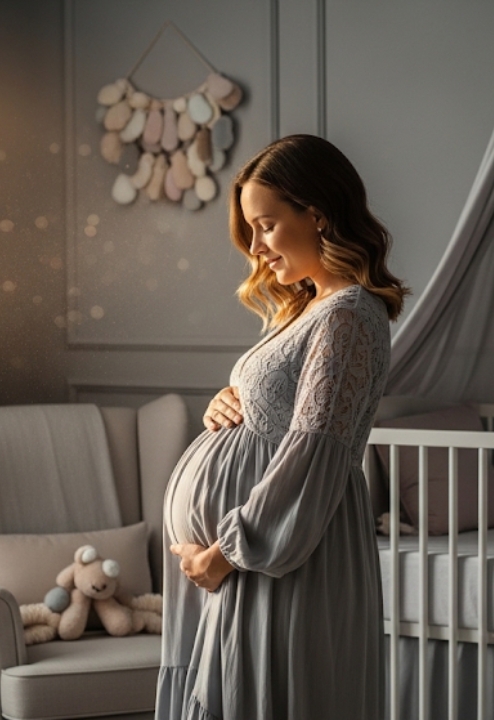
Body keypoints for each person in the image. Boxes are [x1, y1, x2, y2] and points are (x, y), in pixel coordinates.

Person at [158, 134, 408, 720]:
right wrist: (229, 398)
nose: (257, 247)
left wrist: (225, 554)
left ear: (317, 214)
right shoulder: (309, 307)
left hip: (280, 560)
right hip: (253, 563)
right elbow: (283, 409)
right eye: (250, 231)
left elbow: (314, 455)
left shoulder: (348, 314)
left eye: (266, 225)